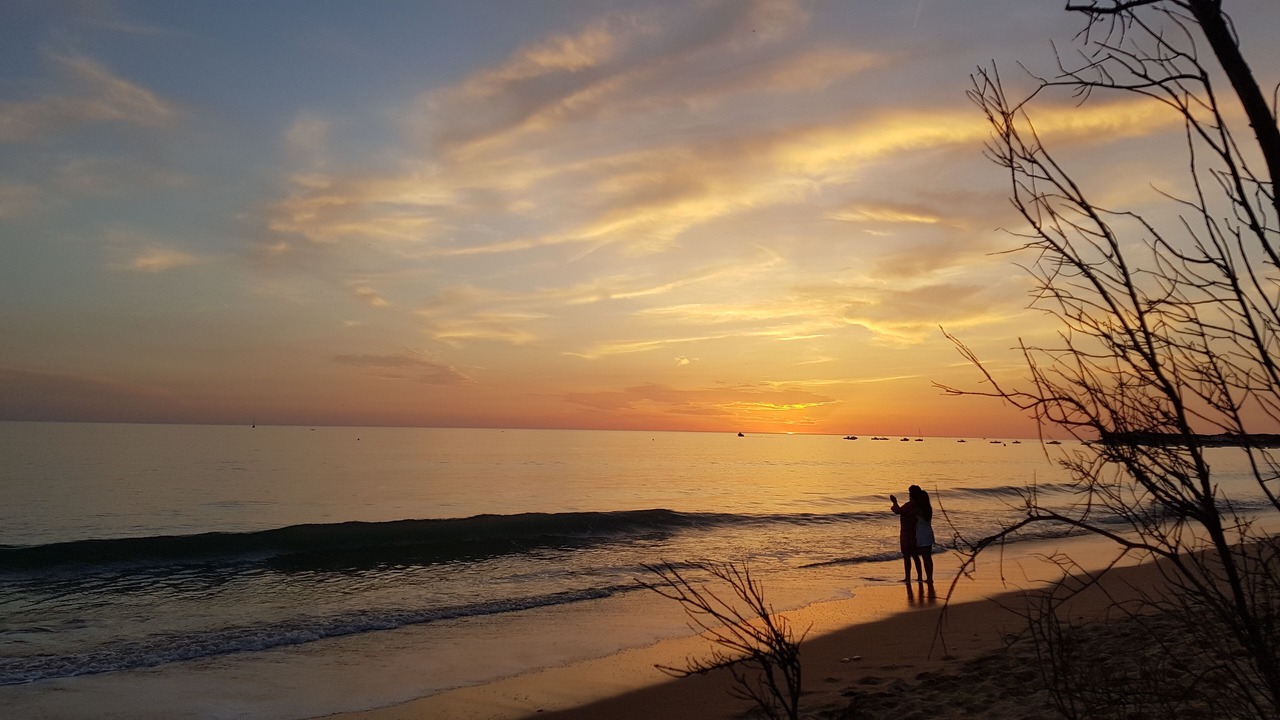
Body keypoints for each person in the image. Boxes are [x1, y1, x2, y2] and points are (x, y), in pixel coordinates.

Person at [890, 485, 934, 584]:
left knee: (907, 555)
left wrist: (894, 502)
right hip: (922, 533)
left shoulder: (913, 506)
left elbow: (898, 511)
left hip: (911, 532)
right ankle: (922, 576)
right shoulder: (926, 507)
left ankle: (909, 577)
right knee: (918, 556)